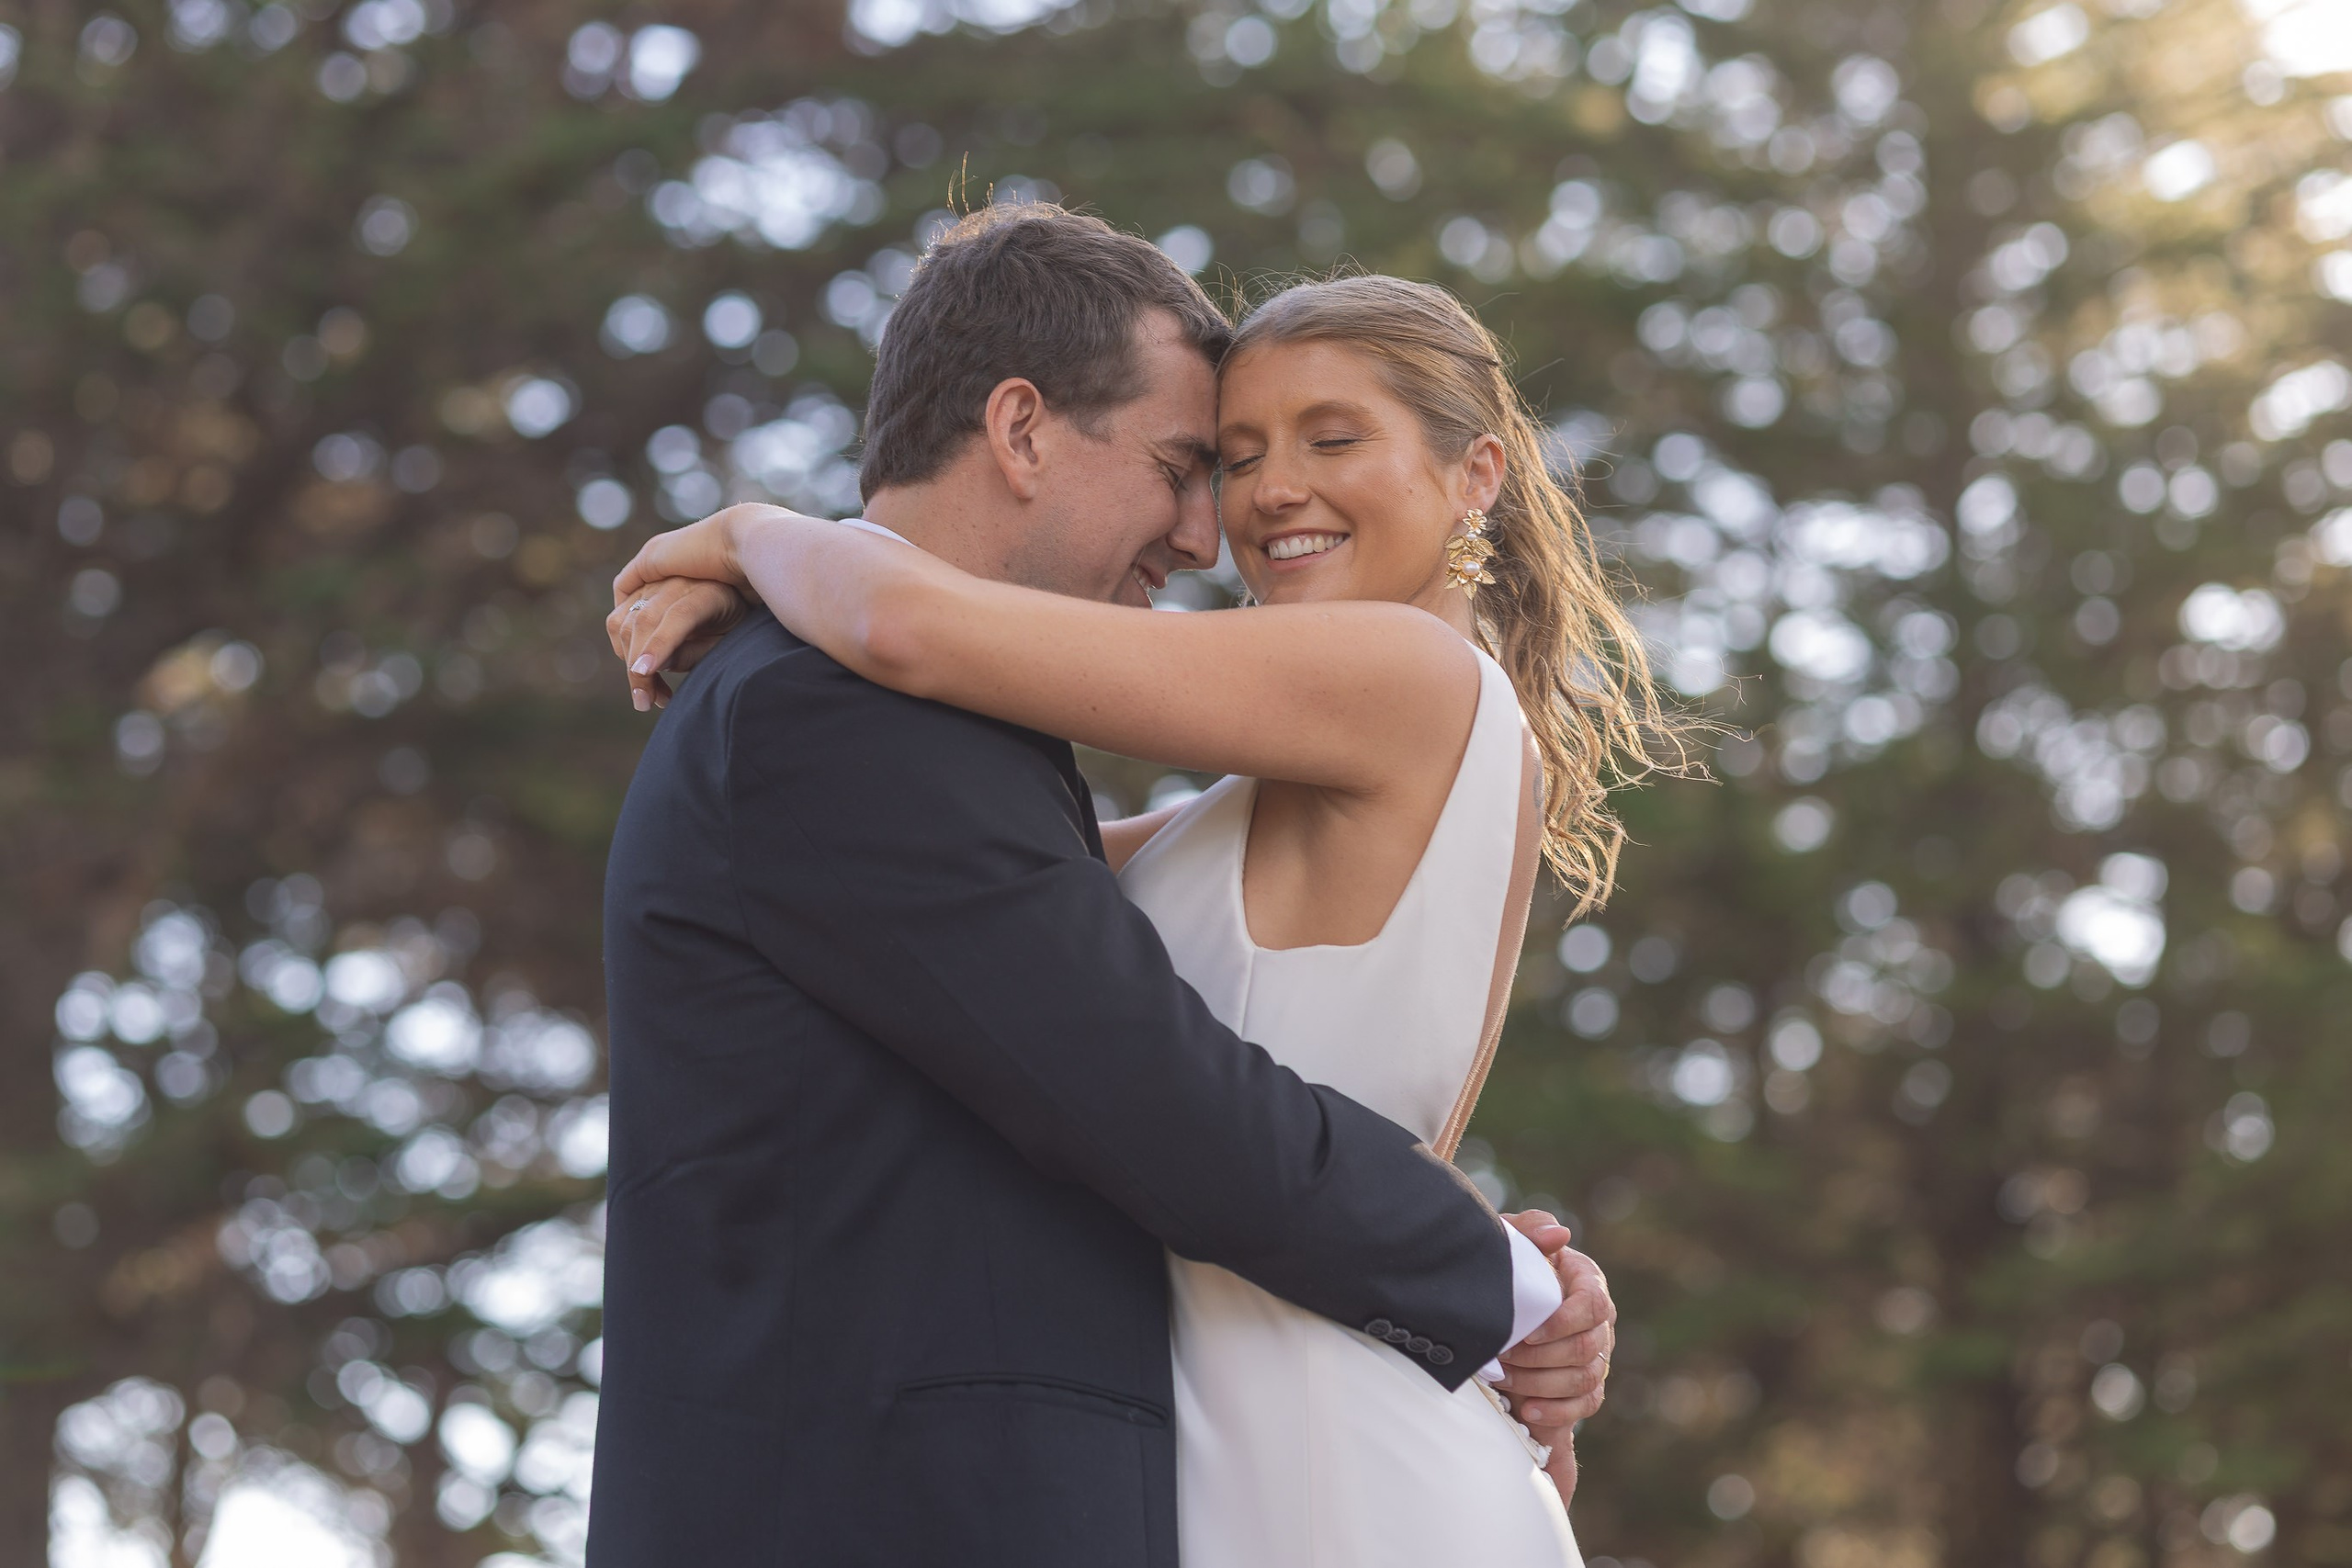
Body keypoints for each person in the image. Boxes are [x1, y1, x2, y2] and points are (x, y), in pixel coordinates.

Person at [609, 212, 1667, 1566]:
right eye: (1215, 460)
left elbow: (906, 624)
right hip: (1206, 1442)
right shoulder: (930, 752)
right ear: (1021, 429)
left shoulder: (1410, 680)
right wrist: (1498, 1268)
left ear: (1477, 476)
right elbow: (995, 878)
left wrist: (754, 534)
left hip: (1324, 1445)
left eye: (1332, 441)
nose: (1229, 513)